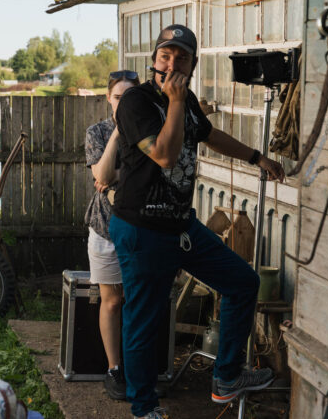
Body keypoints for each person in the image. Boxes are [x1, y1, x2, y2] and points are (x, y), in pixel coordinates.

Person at [109, 25, 286, 419]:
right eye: (166, 55)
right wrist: (173, 102)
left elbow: (208, 134)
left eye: (182, 57)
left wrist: (256, 156)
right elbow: (165, 156)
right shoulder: (135, 103)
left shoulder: (185, 99)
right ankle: (143, 408)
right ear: (154, 58)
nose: (172, 63)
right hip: (141, 228)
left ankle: (226, 378)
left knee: (243, 282)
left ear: (192, 64)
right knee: (145, 320)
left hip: (179, 226)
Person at [84, 70, 140, 400]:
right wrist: (119, 133)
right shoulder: (99, 132)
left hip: (141, 228)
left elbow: (153, 170)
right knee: (113, 300)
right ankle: (114, 368)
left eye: (130, 97)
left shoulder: (149, 127)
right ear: (109, 98)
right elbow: (102, 174)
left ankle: (137, 366)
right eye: (118, 97)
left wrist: (119, 175)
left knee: (138, 300)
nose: (123, 103)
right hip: (105, 227)